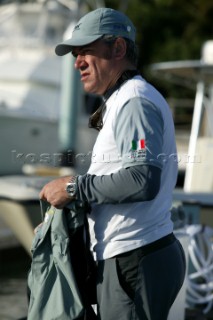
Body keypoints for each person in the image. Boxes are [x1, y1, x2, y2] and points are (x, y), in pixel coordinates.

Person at [39, 7, 186, 320]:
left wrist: (71, 187)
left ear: (118, 48)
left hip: (134, 259)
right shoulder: (126, 99)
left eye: (86, 51)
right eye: (75, 54)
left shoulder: (134, 101)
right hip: (134, 257)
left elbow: (141, 179)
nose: (77, 62)